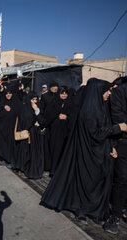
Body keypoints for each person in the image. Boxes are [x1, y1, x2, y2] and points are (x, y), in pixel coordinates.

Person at [41, 78, 127, 223]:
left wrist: (112, 145)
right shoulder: (88, 111)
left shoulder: (103, 107)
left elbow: (105, 129)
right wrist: (119, 128)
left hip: (100, 153)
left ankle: (93, 210)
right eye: (107, 91)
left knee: (97, 184)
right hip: (87, 154)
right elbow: (96, 132)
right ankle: (80, 209)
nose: (108, 94)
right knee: (85, 183)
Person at [104, 78, 127, 234]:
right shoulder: (120, 91)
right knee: (123, 178)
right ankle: (116, 215)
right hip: (123, 141)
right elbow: (119, 119)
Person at [0, 86, 19, 167]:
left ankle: (10, 161)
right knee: (3, 144)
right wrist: (3, 107)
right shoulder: (2, 102)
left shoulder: (16, 102)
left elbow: (18, 112)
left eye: (10, 93)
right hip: (3, 128)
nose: (8, 95)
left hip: (12, 128)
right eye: (7, 93)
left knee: (11, 145)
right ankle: (4, 159)